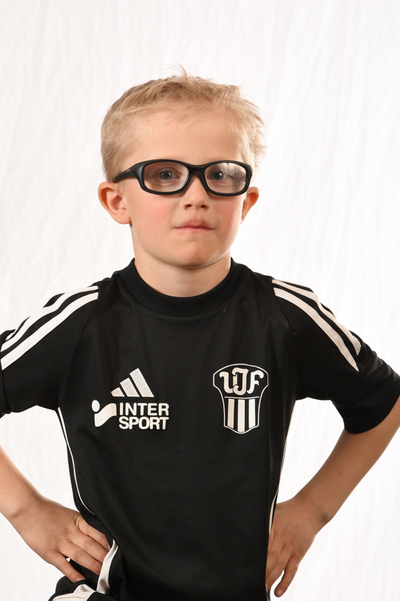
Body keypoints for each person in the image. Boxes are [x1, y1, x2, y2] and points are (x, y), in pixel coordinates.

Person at [0, 73, 399, 601]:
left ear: (246, 201)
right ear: (116, 201)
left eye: (220, 175)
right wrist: (25, 510)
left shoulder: (285, 318)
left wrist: (310, 512)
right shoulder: (81, 325)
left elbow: (384, 401)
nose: (196, 195)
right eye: (164, 174)